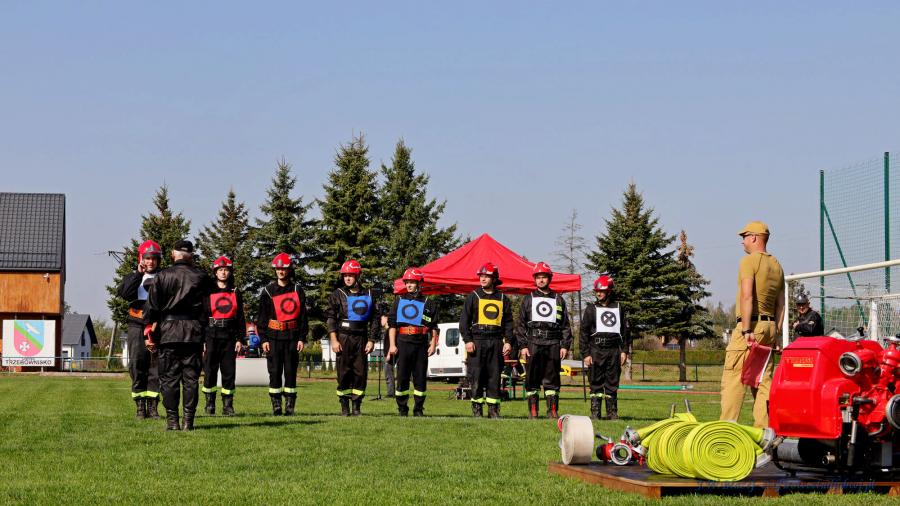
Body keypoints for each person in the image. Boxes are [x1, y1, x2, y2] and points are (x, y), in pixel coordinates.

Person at [720, 221, 785, 428]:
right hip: (770, 328)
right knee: (764, 382)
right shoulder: (777, 265)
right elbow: (781, 304)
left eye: (744, 236)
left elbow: (747, 296)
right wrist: (777, 334)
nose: (742, 241)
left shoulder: (748, 261)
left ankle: (726, 430)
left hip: (751, 327)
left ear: (754, 237)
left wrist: (746, 329)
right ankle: (764, 432)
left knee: (733, 379)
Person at [143, 240, 211, 431]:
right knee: (191, 379)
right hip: (193, 332)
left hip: (168, 333)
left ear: (173, 255)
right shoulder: (201, 277)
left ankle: (172, 421)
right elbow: (209, 307)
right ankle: (188, 421)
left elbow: (151, 307)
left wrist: (150, 329)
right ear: (191, 256)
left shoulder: (162, 275)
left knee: (169, 379)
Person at [516, 262, 572, 419]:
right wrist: (523, 346)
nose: (541, 280)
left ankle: (552, 410)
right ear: (534, 279)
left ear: (549, 278)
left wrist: (565, 345)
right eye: (538, 277)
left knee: (552, 378)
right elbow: (520, 325)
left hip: (553, 343)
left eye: (544, 277)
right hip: (533, 342)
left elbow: (565, 325)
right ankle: (533, 411)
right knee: (532, 377)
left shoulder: (559, 299)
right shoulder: (528, 299)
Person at [325, 259, 380, 416]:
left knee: (360, 373)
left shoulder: (369, 294)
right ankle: (344, 406)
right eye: (345, 275)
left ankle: (356, 406)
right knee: (343, 373)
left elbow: (375, 319)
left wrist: (372, 340)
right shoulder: (337, 294)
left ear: (358, 276)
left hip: (361, 338)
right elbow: (331, 318)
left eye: (350, 275)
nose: (347, 278)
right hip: (343, 337)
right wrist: (334, 340)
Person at [257, 253, 309, 416]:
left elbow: (303, 317)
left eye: (284, 268)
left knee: (290, 372)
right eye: (278, 268)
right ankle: (276, 405)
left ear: (289, 270)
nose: (281, 271)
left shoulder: (297, 290)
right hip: (273, 337)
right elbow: (262, 318)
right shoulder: (268, 291)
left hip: (292, 337)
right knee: (274, 372)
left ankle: (290, 406)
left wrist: (302, 338)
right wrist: (263, 339)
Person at [459, 262, 513, 418]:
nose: (482, 279)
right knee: (476, 376)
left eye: (486, 276)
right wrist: (468, 340)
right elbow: (464, 322)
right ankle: (477, 409)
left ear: (494, 278)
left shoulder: (503, 298)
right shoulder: (473, 296)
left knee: (494, 376)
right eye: (481, 276)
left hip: (496, 341)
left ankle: (493, 410)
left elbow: (509, 323)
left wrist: (508, 341)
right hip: (477, 341)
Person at [116, 240, 163, 420]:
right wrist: (138, 274)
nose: (150, 262)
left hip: (156, 326)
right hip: (136, 324)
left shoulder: (164, 277)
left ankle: (153, 407)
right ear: (141, 258)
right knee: (137, 365)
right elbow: (125, 294)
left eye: (154, 258)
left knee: (156, 366)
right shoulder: (133, 276)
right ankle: (140, 407)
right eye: (147, 258)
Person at [386, 268, 438, 416]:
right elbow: (392, 325)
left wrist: (433, 344)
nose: (409, 285)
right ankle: (402, 409)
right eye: (407, 282)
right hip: (402, 342)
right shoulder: (399, 301)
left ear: (419, 283)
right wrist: (392, 345)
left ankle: (418, 409)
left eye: (412, 282)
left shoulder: (428, 303)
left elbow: (434, 326)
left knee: (420, 377)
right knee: (402, 377)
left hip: (421, 343)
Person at [580, 274, 630, 420]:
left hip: (614, 350)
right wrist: (585, 354)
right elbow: (583, 333)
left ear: (609, 291)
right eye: (597, 291)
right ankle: (595, 413)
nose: (599, 293)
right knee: (595, 382)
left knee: (612, 382)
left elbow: (625, 332)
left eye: (602, 291)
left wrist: (624, 351)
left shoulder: (619, 308)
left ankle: (612, 413)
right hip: (596, 350)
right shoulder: (591, 309)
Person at [202, 256, 246, 416]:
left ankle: (228, 406)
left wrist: (240, 339)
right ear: (215, 272)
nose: (223, 272)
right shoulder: (208, 292)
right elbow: (202, 316)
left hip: (229, 336)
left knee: (229, 372)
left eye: (226, 270)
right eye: (220, 270)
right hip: (211, 335)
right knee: (210, 371)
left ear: (230, 272)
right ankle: (210, 404)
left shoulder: (235, 292)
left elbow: (240, 317)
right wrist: (202, 339)